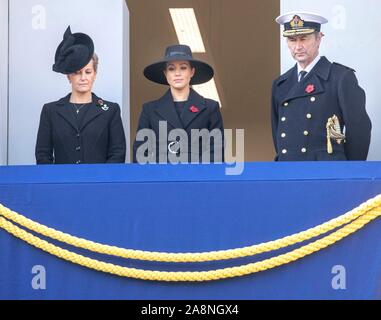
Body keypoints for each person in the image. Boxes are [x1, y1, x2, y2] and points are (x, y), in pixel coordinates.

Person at [272, 12, 372, 161]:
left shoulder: (340, 77)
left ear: (319, 38)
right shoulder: (281, 84)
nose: (298, 46)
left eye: (304, 39)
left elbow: (359, 130)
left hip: (326, 172)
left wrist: (350, 172)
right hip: (289, 171)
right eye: (292, 40)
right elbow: (278, 135)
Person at [35, 26, 126, 164]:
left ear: (95, 74)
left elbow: (117, 153)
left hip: (99, 183)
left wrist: (102, 180)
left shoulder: (111, 110)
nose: (83, 77)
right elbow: (43, 155)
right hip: (61, 184)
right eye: (77, 72)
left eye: (88, 72)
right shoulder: (50, 111)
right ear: (68, 76)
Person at [133, 44, 224, 164]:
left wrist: (197, 174)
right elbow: (140, 153)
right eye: (171, 68)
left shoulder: (210, 108)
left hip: (198, 178)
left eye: (183, 67)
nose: (177, 73)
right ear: (165, 74)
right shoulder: (149, 110)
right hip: (161, 177)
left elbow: (216, 150)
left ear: (192, 72)